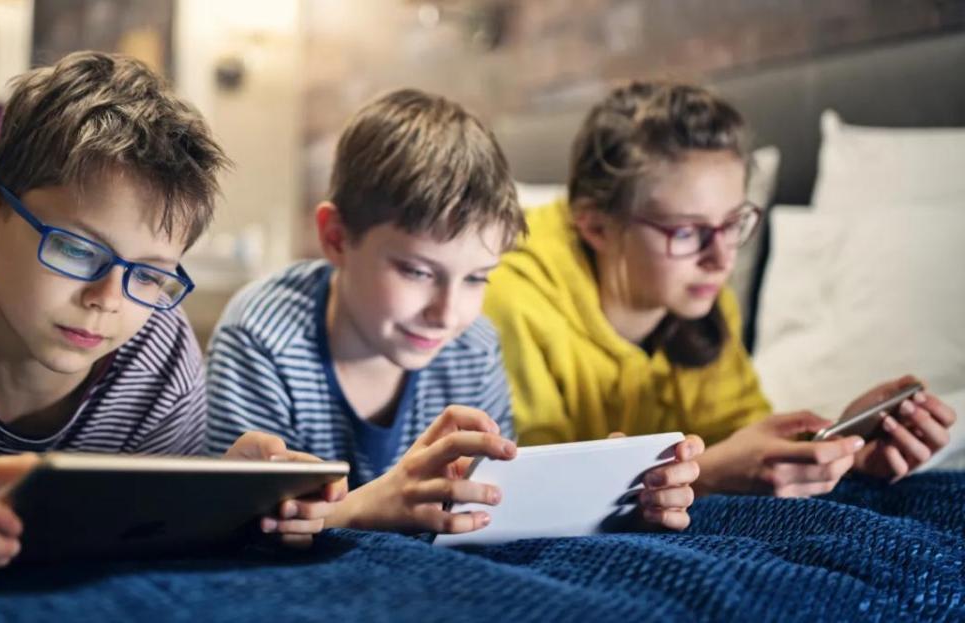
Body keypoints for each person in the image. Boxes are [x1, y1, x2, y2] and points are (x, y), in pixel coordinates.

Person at [0, 51, 342, 585]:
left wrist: (232, 500)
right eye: (77, 251)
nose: (108, 298)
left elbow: (147, 536)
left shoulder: (163, 351)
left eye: (150, 275)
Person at [207, 88, 703, 535]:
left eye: (476, 277)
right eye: (417, 272)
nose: (447, 313)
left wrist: (612, 498)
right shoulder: (263, 335)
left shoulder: (474, 345)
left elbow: (482, 505)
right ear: (337, 238)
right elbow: (234, 527)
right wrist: (367, 506)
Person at [484, 80, 956, 497]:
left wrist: (841, 449)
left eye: (733, 224)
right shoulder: (508, 301)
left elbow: (739, 437)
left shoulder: (701, 300)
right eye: (687, 231)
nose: (723, 259)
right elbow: (525, 493)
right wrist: (707, 475)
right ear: (596, 226)